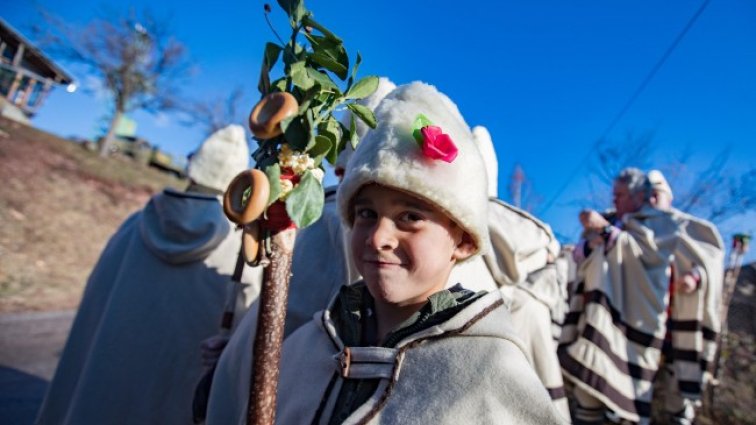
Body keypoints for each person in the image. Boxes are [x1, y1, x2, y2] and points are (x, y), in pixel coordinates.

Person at [207, 82, 562, 424]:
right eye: (366, 214)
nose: (379, 238)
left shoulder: (493, 373)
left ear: (464, 240)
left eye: (410, 217)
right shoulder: (306, 346)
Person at [34, 125, 261, 425]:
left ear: (193, 169)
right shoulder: (241, 248)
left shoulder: (136, 225)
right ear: (238, 181)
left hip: (102, 394)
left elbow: (94, 309)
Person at [559, 167, 680, 425]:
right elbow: (579, 257)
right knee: (588, 391)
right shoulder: (609, 219)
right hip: (597, 318)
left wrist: (604, 231)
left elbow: (649, 256)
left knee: (630, 399)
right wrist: (592, 241)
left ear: (640, 196)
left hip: (636, 323)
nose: (614, 201)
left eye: (621, 195)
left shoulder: (660, 222)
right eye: (614, 195)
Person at [647, 170, 724, 425]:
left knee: (679, 387)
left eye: (655, 194)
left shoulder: (687, 228)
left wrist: (696, 276)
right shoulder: (635, 231)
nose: (651, 200)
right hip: (645, 324)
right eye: (646, 195)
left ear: (667, 197)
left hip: (679, 324)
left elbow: (711, 262)